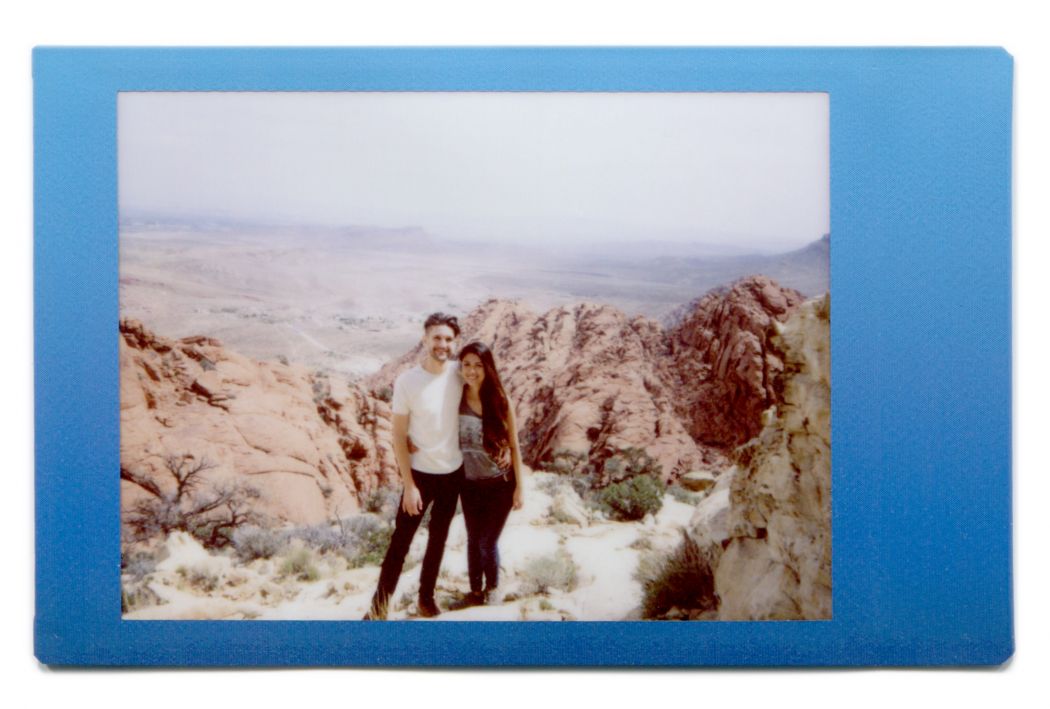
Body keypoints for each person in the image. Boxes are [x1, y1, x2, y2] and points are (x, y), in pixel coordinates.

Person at [364, 312, 464, 620]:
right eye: (436, 338)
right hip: (420, 475)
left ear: (454, 342)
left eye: (448, 339)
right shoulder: (408, 381)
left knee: (438, 540)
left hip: (452, 473)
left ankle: (426, 599)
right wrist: (409, 485)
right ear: (425, 339)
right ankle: (378, 608)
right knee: (400, 544)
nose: (442, 344)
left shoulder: (462, 374)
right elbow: (397, 433)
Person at [456, 341, 524, 606]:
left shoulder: (500, 400)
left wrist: (520, 488)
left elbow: (515, 445)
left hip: (500, 484)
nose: (471, 371)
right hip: (470, 484)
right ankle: (475, 591)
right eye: (466, 365)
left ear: (488, 368)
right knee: (473, 540)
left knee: (487, 541)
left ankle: (493, 587)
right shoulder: (457, 396)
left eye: (478, 365)